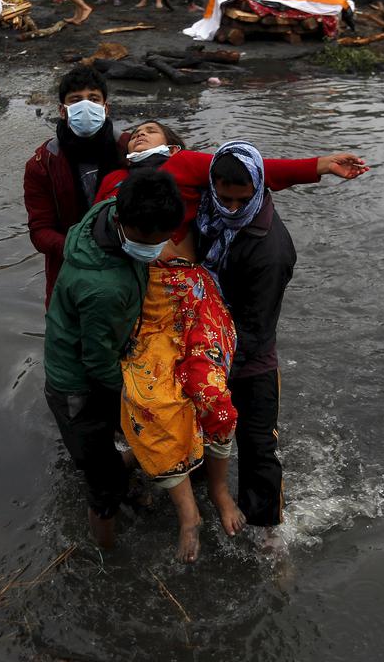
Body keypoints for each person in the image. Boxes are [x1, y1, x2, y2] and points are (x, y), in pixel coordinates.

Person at [45, 168, 185, 550]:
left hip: (100, 357)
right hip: (77, 385)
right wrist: (142, 394)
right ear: (124, 224)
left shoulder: (107, 211)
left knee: (123, 438)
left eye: (162, 240)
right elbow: (96, 363)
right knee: (102, 482)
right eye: (148, 242)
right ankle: (106, 553)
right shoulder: (102, 288)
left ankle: (119, 470)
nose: (155, 249)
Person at [193, 143, 301, 536]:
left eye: (242, 201)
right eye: (224, 199)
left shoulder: (270, 250)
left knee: (258, 447)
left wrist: (212, 372)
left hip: (248, 358)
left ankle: (268, 531)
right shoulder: (207, 215)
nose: (232, 209)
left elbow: (255, 330)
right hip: (204, 344)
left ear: (258, 191)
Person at [121, 226, 240, 563]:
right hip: (151, 309)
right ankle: (188, 513)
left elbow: (268, 174)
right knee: (153, 401)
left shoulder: (194, 185)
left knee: (215, 399)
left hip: (197, 300)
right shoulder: (119, 200)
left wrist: (317, 167)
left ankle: (218, 489)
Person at [95, 121, 368, 238]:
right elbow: (92, 225)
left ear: (173, 146)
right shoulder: (114, 179)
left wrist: (322, 165)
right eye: (135, 135)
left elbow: (252, 169)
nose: (140, 135)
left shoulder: (182, 162)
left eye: (151, 131)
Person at [24, 67, 125, 305]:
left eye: (93, 99)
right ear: (62, 110)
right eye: (76, 100)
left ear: (105, 107)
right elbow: (40, 231)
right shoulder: (42, 164)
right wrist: (81, 249)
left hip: (125, 266)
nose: (86, 106)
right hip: (68, 273)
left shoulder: (130, 151)